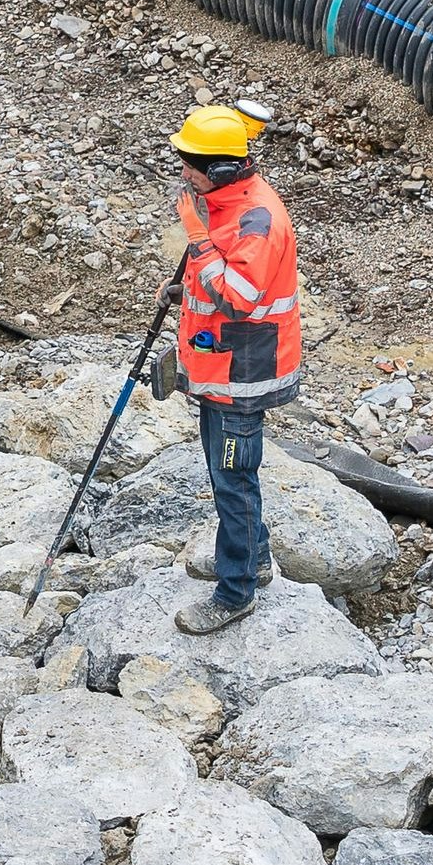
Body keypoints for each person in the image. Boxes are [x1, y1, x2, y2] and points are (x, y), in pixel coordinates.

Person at [168, 101, 300, 635]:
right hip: (220, 365)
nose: (183, 174)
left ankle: (235, 591)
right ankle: (255, 560)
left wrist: (196, 241)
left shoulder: (257, 219)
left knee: (233, 480)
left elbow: (240, 296)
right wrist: (185, 285)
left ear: (220, 169)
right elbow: (217, 275)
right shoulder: (226, 203)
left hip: (244, 372)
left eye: (190, 165)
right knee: (230, 474)